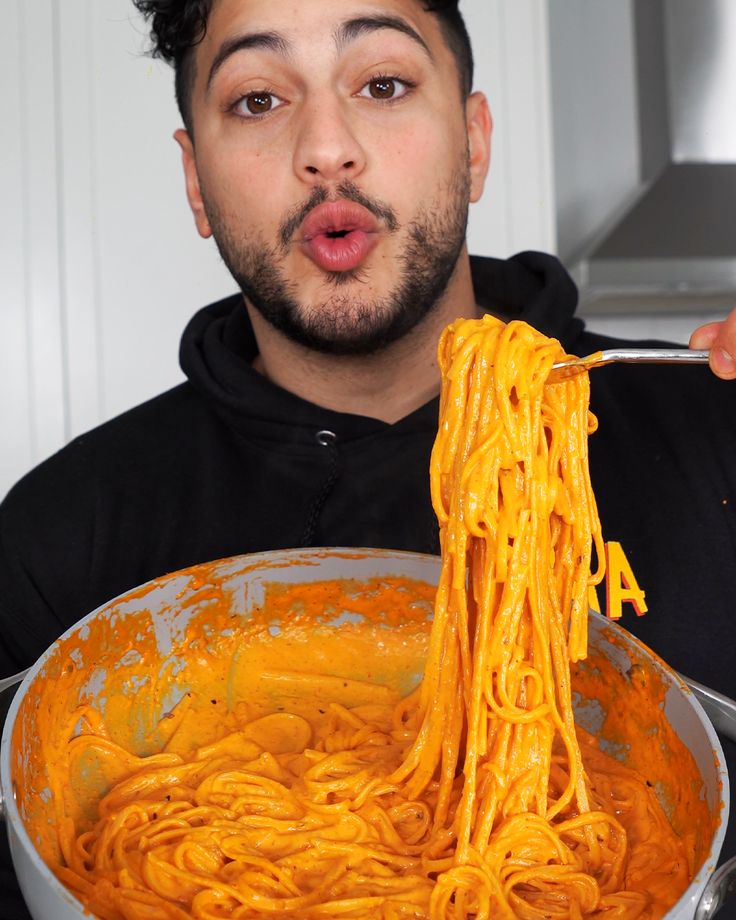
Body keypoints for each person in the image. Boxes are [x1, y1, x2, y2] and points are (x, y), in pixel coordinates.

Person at [1, 1, 735, 915]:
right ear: (196, 182)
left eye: (383, 84)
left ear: (472, 142)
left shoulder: (716, 434)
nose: (327, 148)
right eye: (259, 100)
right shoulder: (56, 541)